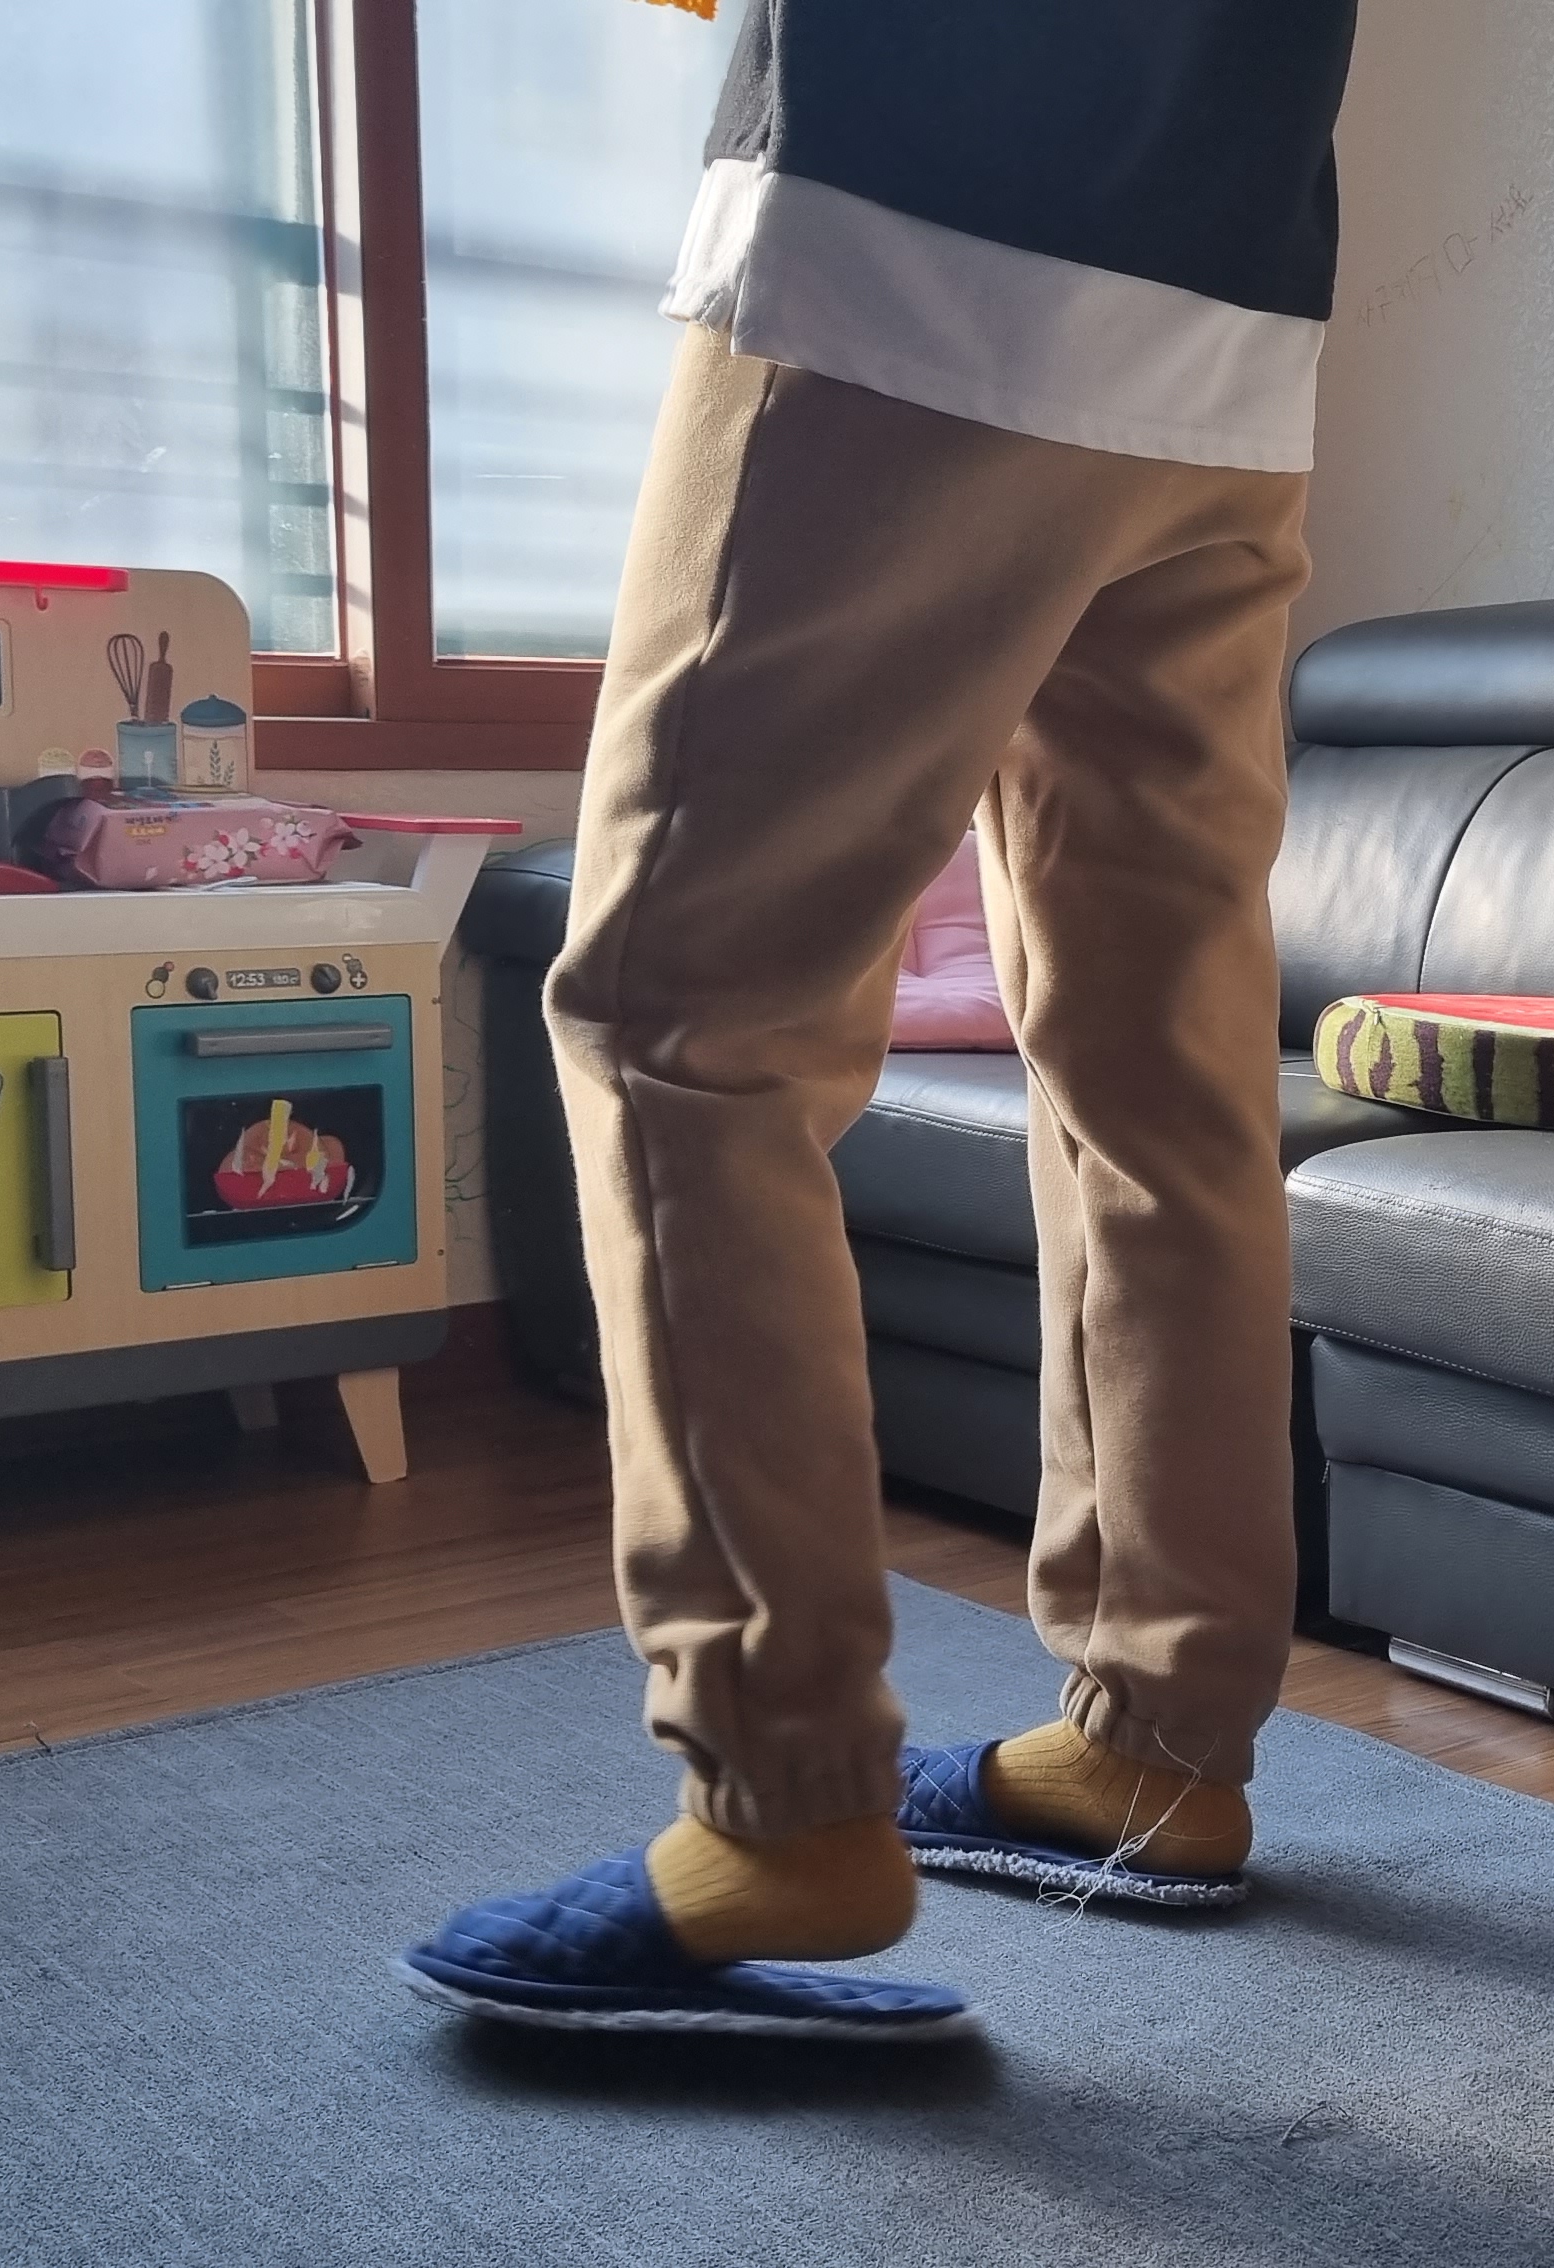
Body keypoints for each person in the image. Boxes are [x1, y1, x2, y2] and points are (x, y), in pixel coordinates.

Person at [396, 0, 1365, 2039]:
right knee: (1160, 1080)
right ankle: (1162, 1749)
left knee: (682, 1026)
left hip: (907, 240)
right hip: (1229, 303)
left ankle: (783, 1805)